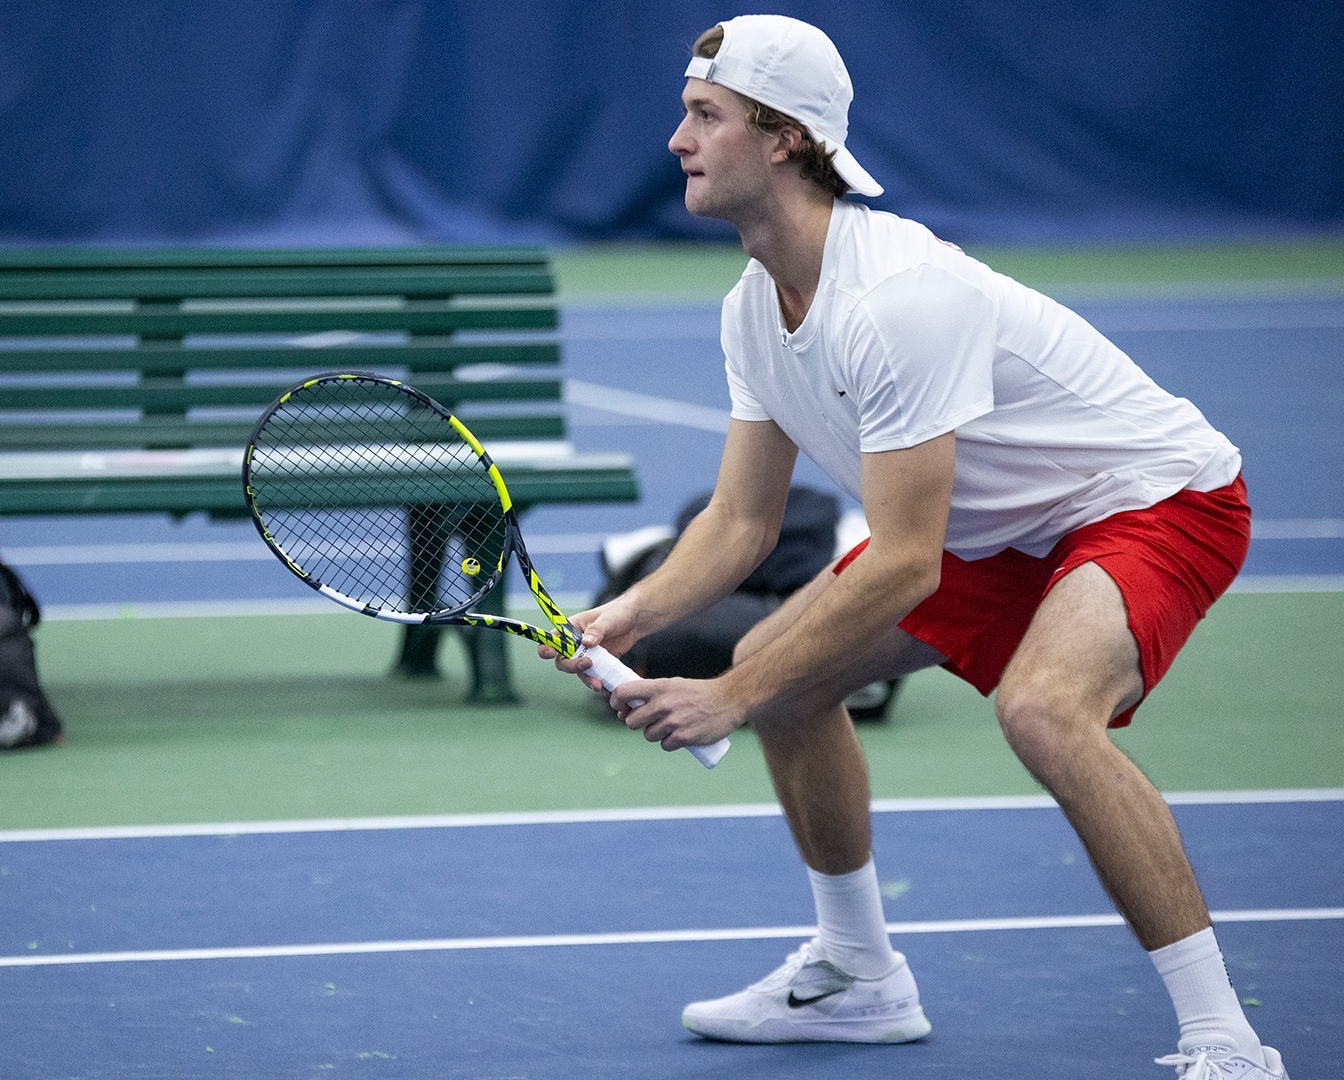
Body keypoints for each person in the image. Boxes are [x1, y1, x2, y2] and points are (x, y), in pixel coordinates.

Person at [547, 15, 1286, 1078]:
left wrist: (732, 690)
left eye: (705, 115)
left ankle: (1228, 1040)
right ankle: (859, 979)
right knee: (801, 688)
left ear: (784, 138)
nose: (677, 139)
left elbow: (904, 562)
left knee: (1039, 711)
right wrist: (633, 614)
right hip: (987, 529)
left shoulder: (895, 299)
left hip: (1151, 498)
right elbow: (741, 523)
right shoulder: (754, 307)